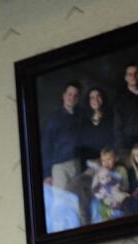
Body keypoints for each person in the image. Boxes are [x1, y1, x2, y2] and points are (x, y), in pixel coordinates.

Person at [40, 80, 86, 230]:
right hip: (59, 166)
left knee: (76, 200)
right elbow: (46, 147)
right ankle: (62, 233)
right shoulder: (54, 119)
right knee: (61, 202)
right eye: (69, 94)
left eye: (75, 95)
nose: (71, 98)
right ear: (63, 96)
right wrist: (47, 174)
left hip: (77, 163)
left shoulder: (81, 116)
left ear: (78, 98)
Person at [89, 147, 129, 222]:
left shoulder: (121, 170)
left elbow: (126, 187)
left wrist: (118, 187)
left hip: (116, 196)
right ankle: (105, 217)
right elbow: (93, 188)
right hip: (103, 197)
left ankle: (115, 214)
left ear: (116, 159)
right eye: (103, 160)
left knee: (122, 200)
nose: (106, 163)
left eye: (109, 159)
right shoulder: (99, 172)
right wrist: (99, 191)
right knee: (95, 203)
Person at [77, 87, 114, 167]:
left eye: (98, 96)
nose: (96, 100)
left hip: (107, 159)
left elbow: (115, 137)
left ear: (103, 98)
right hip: (88, 161)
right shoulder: (82, 118)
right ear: (88, 101)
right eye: (92, 97)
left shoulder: (111, 115)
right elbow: (81, 142)